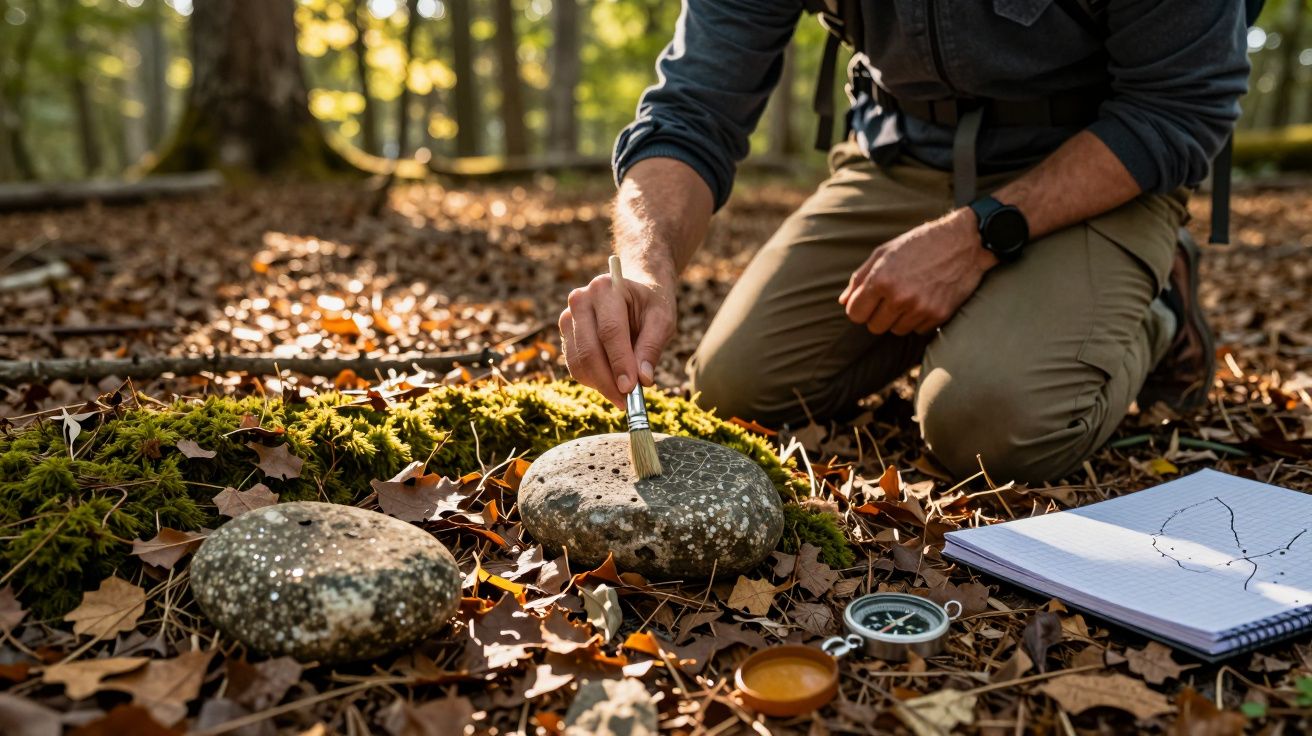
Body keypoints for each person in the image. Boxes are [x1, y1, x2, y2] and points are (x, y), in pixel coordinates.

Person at [557, 0, 1249, 483]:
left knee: (988, 429)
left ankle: (1158, 308)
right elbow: (693, 107)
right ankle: (999, 314)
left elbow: (1181, 108)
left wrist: (976, 236)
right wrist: (646, 266)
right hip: (901, 151)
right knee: (735, 391)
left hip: (1094, 164)